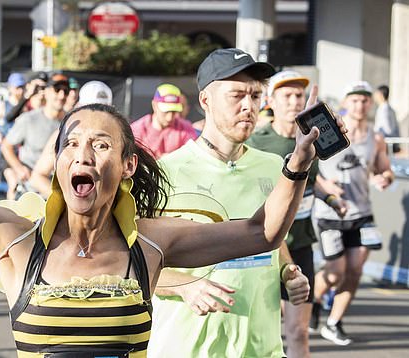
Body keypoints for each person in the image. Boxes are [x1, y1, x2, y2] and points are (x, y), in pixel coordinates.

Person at [0, 29, 324, 357]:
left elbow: (262, 232)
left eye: (101, 143)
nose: (83, 152)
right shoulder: (13, 241)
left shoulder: (151, 245)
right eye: (72, 143)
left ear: (127, 166)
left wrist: (297, 164)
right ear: (58, 163)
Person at [149, 50, 311, 358]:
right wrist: (184, 286)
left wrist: (288, 271)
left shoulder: (273, 165)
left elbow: (272, 237)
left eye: (255, 95)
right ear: (205, 100)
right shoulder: (165, 172)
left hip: (261, 348)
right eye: (237, 95)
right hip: (186, 348)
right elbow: (133, 264)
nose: (249, 106)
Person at [247, 70, 346, 357]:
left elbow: (311, 182)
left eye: (299, 95)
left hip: (300, 245)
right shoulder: (256, 142)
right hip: (265, 248)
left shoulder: (312, 140)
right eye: (286, 95)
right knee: (262, 332)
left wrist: (332, 199)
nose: (294, 101)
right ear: (271, 101)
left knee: (298, 332)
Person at [310, 81, 394, 346]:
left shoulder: (376, 138)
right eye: (355, 100)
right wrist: (327, 187)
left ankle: (333, 323)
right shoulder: (329, 131)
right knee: (335, 271)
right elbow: (309, 169)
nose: (360, 105)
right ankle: (314, 300)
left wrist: (384, 178)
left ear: (371, 104)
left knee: (355, 270)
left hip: (362, 214)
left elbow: (384, 169)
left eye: (365, 100)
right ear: (345, 102)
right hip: (330, 212)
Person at [28, 80, 114, 198]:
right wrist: (65, 201)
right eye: (91, 110)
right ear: (79, 107)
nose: (96, 117)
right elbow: (37, 177)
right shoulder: (64, 133)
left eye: (102, 111)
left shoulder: (117, 136)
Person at [1, 73, 68, 199]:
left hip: (59, 192)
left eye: (65, 91)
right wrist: (18, 168)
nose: (61, 95)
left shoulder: (70, 123)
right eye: (57, 90)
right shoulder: (29, 119)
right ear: (46, 92)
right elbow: (6, 146)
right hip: (30, 192)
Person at [130, 84, 198, 159]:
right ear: (154, 106)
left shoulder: (185, 128)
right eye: (165, 111)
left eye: (173, 111)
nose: (169, 117)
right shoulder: (136, 130)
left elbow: (194, 156)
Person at [373, 85, 400, 153]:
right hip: (390, 142)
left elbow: (387, 129)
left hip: (386, 143)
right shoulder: (390, 108)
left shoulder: (383, 109)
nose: (374, 96)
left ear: (380, 95)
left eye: (376, 94)